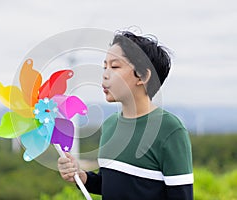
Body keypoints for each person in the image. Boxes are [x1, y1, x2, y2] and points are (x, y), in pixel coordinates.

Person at [58, 30, 193, 200]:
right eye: (104, 66)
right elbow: (109, 183)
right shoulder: (110, 125)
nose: (105, 74)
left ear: (143, 76)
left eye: (114, 66)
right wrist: (81, 176)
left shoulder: (169, 129)